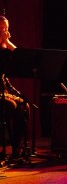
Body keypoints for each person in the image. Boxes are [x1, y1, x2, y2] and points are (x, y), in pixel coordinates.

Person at [0, 15, 29, 160]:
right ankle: (5, 145)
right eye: (1, 28)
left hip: (3, 90)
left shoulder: (5, 47)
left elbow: (20, 57)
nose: (4, 31)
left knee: (24, 105)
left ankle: (16, 148)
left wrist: (7, 42)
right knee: (10, 105)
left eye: (6, 28)